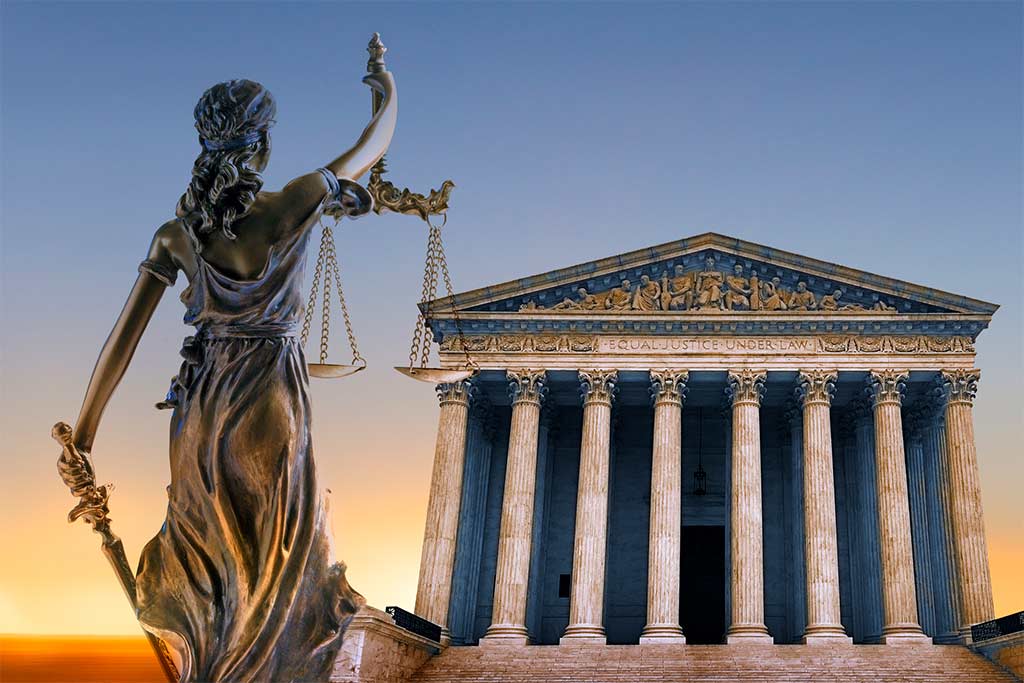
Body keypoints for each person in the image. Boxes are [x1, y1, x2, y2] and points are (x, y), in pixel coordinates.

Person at [68, 73, 397, 682]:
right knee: (277, 578)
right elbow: (373, 143)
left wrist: (83, 435)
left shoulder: (177, 235)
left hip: (203, 412)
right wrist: (386, 87)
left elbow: (121, 342)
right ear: (262, 145)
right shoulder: (293, 201)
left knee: (211, 573)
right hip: (271, 402)